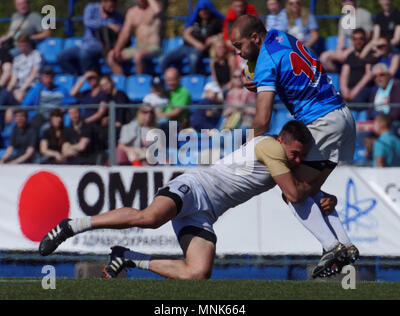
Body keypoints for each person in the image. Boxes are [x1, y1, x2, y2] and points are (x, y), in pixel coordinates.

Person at [39, 120, 339, 280]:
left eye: (301, 154)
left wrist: (326, 197)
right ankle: (72, 225)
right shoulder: (271, 149)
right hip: (194, 187)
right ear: (281, 142)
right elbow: (294, 192)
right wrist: (320, 185)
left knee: (197, 273)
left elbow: (298, 188)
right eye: (294, 153)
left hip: (206, 212)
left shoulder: (283, 158)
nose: (297, 159)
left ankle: (129, 257)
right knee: (149, 218)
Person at [230, 15, 358, 277]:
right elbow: (283, 69)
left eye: (239, 46)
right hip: (343, 116)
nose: (239, 53)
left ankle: (331, 246)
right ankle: (345, 244)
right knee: (308, 191)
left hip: (321, 121)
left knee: (292, 192)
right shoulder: (279, 34)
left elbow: (263, 119)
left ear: (254, 38)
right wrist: (255, 74)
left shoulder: (265, 61)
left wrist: (245, 152)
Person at [58, 0, 124, 75]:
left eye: (113, 4)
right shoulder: (91, 8)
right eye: (109, 4)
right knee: (62, 56)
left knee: (85, 54)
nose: (112, 6)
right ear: (102, 2)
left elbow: (122, 30)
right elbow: (88, 22)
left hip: (102, 46)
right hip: (85, 44)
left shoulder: (117, 16)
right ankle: (76, 77)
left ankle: (90, 78)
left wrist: (117, 29)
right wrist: (107, 24)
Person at [159, 0, 224, 74]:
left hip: (203, 49)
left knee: (193, 59)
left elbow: (224, 33)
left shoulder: (216, 21)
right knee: (162, 59)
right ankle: (171, 78)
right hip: (186, 47)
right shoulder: (195, 20)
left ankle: (192, 81)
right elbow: (186, 34)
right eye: (201, 10)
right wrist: (196, 43)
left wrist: (214, 38)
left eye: (205, 10)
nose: (203, 12)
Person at [107, 0, 162, 75]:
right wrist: (117, 50)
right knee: (111, 56)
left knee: (138, 56)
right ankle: (121, 81)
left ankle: (139, 82)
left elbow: (158, 10)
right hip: (138, 48)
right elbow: (125, 33)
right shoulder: (132, 12)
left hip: (153, 47)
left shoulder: (153, 9)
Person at [320, 0, 373, 73]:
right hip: (346, 49)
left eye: (349, 1)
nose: (347, 3)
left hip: (361, 48)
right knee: (324, 57)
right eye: (344, 1)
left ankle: (347, 75)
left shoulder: (365, 14)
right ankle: (340, 73)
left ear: (354, 1)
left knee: (348, 56)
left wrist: (348, 51)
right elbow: (341, 38)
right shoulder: (343, 19)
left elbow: (367, 38)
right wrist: (339, 52)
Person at [19, 66, 75, 133]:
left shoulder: (62, 90)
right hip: (42, 116)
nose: (48, 80)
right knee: (35, 123)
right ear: (41, 78)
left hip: (56, 116)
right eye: (46, 77)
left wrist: (64, 108)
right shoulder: (37, 89)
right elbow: (26, 104)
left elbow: (71, 103)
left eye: (50, 77)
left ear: (53, 78)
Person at [339, 28, 376, 103]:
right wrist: (345, 90)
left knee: (356, 101)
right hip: (349, 89)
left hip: (364, 88)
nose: (358, 42)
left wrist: (354, 92)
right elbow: (344, 74)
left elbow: (368, 75)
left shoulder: (370, 54)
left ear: (365, 40)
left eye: (360, 39)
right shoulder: (350, 56)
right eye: (355, 39)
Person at [3, 34, 42, 104]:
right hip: (18, 86)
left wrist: (21, 89)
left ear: (29, 44)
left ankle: (19, 113)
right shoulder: (17, 58)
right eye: (20, 46)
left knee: (18, 95)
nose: (22, 48)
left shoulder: (37, 55)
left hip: (32, 86)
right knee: (4, 96)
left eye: (24, 45)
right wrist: (7, 91)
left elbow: (33, 75)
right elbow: (14, 78)